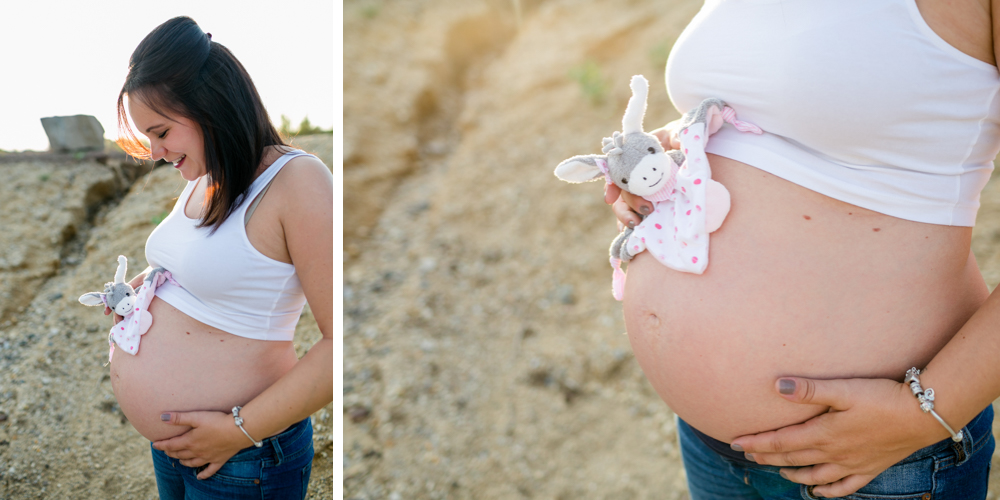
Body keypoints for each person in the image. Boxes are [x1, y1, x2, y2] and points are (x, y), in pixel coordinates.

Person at [604, 1, 1000, 498]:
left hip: (876, 460)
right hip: (710, 446)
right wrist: (669, 162)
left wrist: (922, 415)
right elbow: (770, 109)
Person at [104, 16, 332, 499]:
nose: (155, 152)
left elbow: (346, 343)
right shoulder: (205, 178)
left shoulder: (298, 183)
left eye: (161, 131)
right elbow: (207, 272)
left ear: (210, 105)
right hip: (178, 449)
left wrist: (239, 430)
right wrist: (143, 290)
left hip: (243, 454)